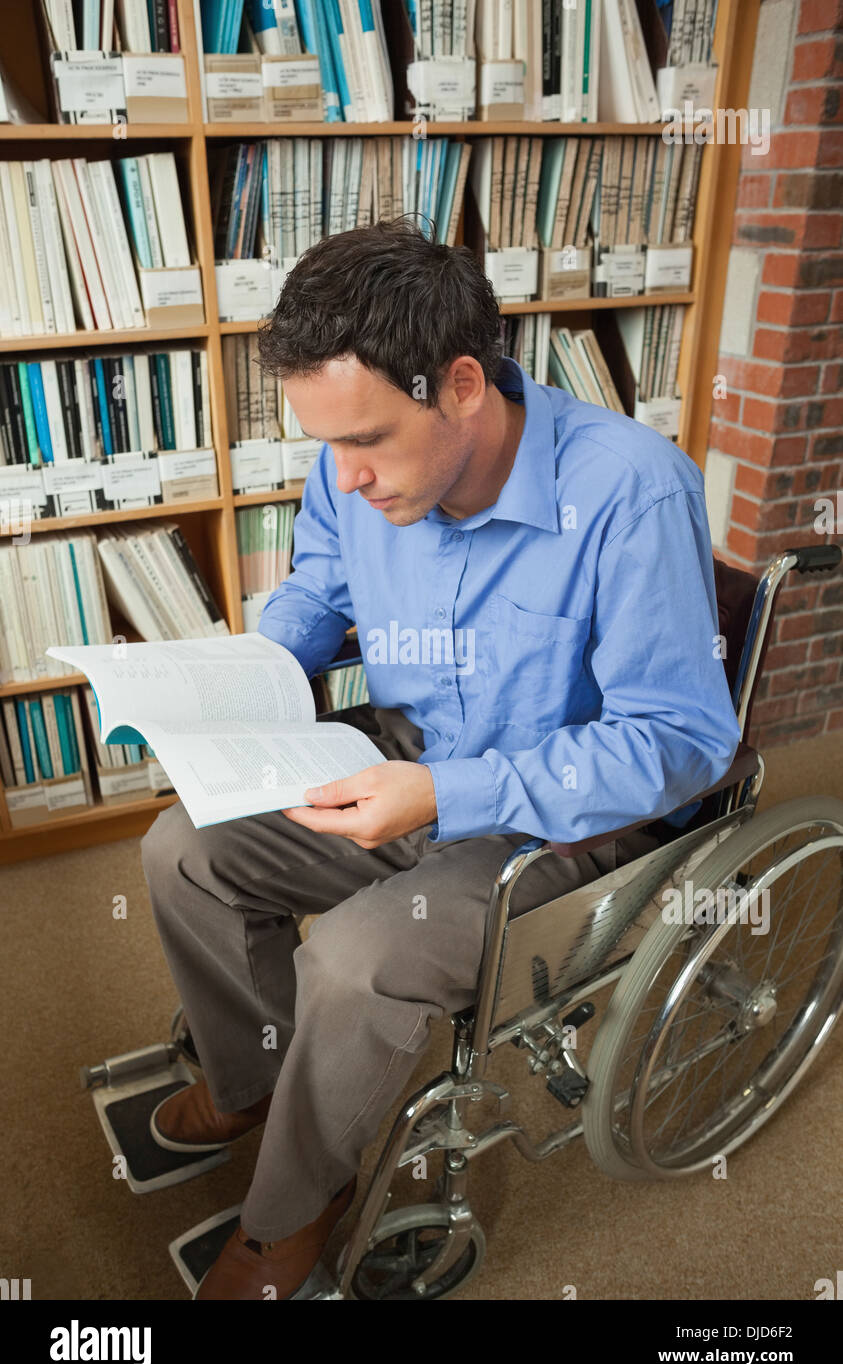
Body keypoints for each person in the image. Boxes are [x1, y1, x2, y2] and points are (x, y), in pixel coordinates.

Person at [140, 215, 740, 1300]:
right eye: (327, 444)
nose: (347, 476)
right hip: (417, 747)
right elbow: (318, 593)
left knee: (360, 959)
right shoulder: (351, 471)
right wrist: (236, 691)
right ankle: (253, 1084)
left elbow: (682, 743)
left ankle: (293, 1213)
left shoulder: (631, 492)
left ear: (462, 384)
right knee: (183, 849)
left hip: (563, 807)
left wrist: (446, 792)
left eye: (368, 440)